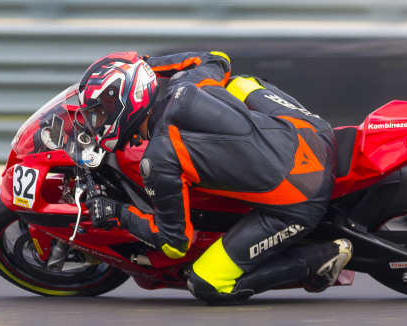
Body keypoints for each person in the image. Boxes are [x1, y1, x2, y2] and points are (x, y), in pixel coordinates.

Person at [79, 51, 352, 305]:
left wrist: (118, 213)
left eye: (101, 112)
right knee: (238, 83)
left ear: (126, 102)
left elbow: (174, 243)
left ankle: (318, 259)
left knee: (206, 283)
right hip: (313, 133)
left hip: (303, 194)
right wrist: (148, 63)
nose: (97, 122)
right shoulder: (187, 83)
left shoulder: (158, 161)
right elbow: (218, 59)